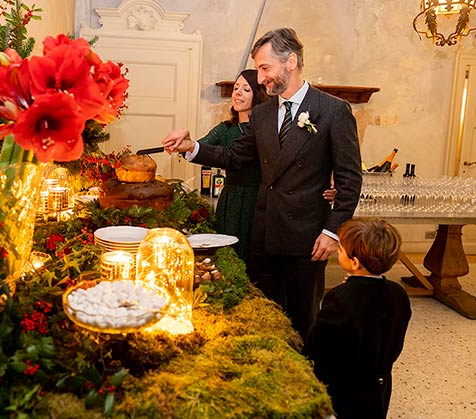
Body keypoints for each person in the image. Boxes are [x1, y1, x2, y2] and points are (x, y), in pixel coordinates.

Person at [162, 28, 362, 343]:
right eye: (259, 69)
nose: (261, 77)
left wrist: (332, 231)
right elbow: (233, 155)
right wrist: (190, 147)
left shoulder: (333, 111)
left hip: (307, 238)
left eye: (265, 68)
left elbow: (350, 180)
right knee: (262, 311)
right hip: (264, 231)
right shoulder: (264, 112)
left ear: (291, 61)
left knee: (300, 320)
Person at [305, 217, 412, 419]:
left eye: (340, 250)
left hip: (345, 388)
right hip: (380, 383)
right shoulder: (398, 293)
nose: (338, 252)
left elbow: (319, 346)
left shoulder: (340, 298)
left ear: (354, 262)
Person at [199, 69, 268, 263]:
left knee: (253, 255)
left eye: (246, 89)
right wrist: (185, 144)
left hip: (257, 200)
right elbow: (202, 147)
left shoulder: (266, 129)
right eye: (236, 88)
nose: (237, 93)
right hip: (230, 198)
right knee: (227, 253)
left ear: (258, 95)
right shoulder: (225, 128)